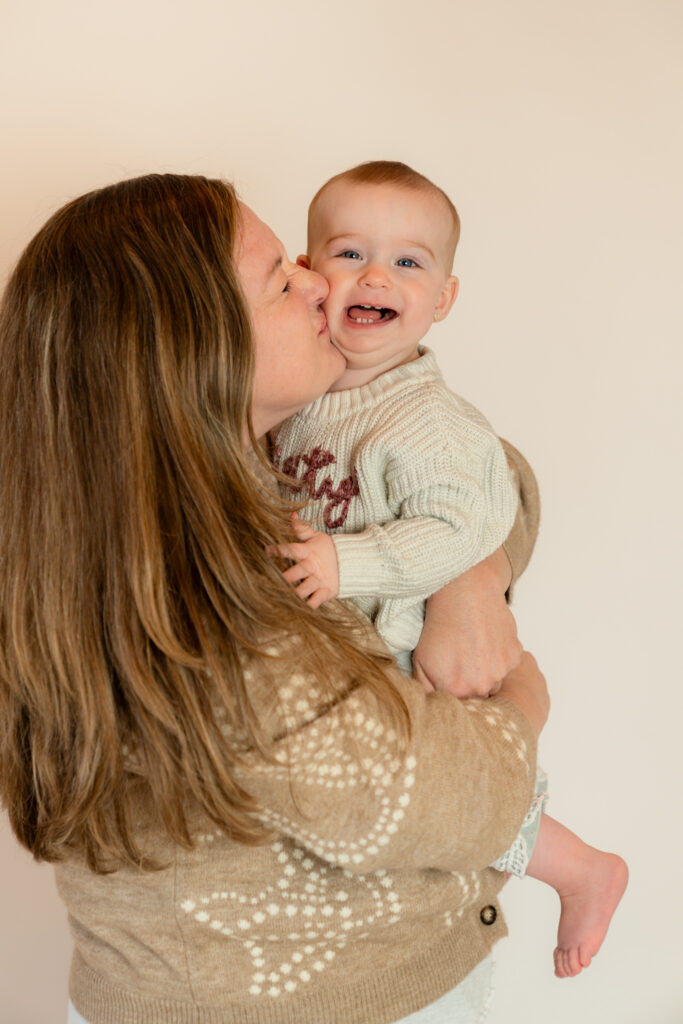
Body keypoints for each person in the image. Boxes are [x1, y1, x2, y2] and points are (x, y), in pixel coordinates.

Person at [0, 172, 549, 1024]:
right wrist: (523, 700)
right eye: (281, 280)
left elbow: (484, 470)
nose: (318, 283)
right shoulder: (217, 607)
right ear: (193, 352)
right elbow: (441, 801)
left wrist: (467, 581)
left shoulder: (240, 477)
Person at [271, 161, 628, 980]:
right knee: (423, 811)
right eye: (348, 251)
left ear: (444, 298)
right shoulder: (310, 397)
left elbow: (467, 526)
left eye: (407, 262)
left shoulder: (426, 420)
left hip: (406, 654)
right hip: (349, 655)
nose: (373, 275)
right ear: (308, 272)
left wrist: (344, 559)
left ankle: (582, 870)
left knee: (453, 799)